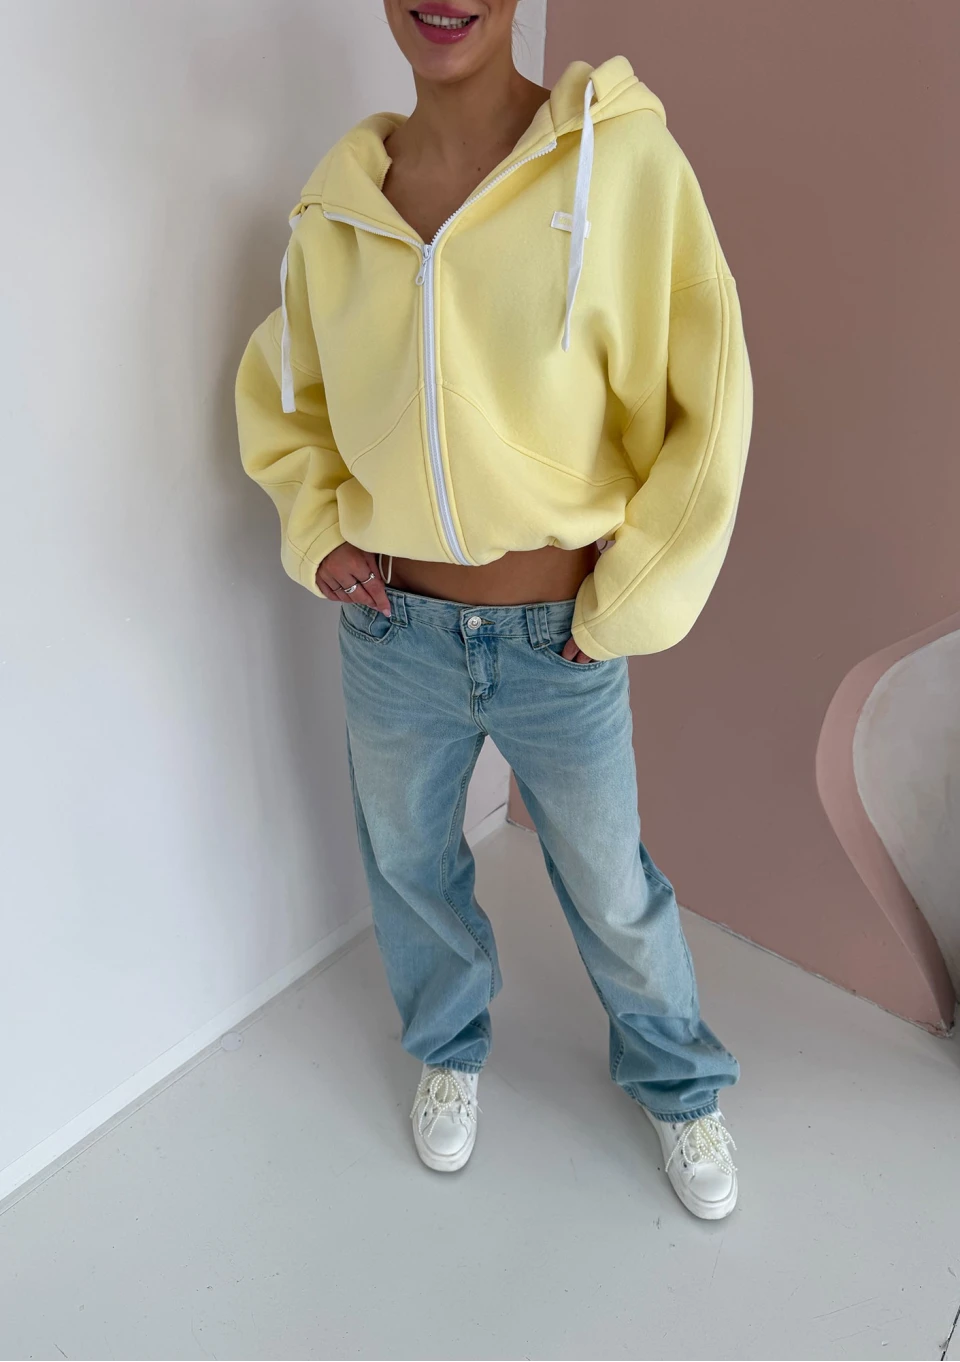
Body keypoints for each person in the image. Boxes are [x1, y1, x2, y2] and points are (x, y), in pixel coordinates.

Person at [235, 1, 753, 1221]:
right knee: (411, 866)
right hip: (394, 637)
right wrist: (317, 530)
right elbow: (287, 393)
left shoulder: (624, 162)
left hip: (556, 638)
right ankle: (449, 1048)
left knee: (610, 885)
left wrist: (626, 601)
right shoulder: (337, 209)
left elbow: (711, 396)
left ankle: (681, 1086)